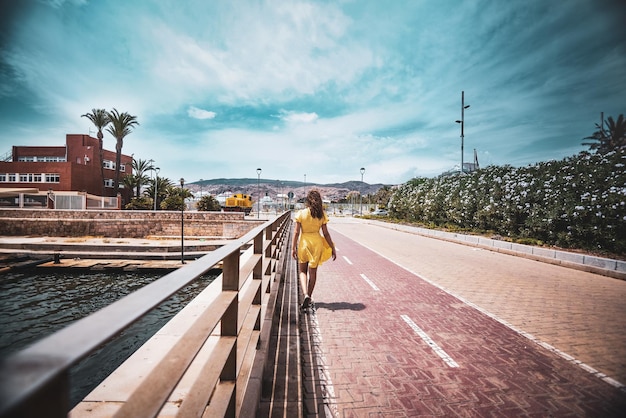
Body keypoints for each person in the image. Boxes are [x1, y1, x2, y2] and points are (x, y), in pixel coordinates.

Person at [292, 189, 336, 311]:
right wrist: (332, 247)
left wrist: (293, 248)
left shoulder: (301, 214)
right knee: (313, 272)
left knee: (302, 271)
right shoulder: (321, 215)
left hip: (304, 243)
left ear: (308, 201)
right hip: (316, 243)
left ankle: (305, 293)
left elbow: (296, 232)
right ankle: (309, 296)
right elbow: (326, 234)